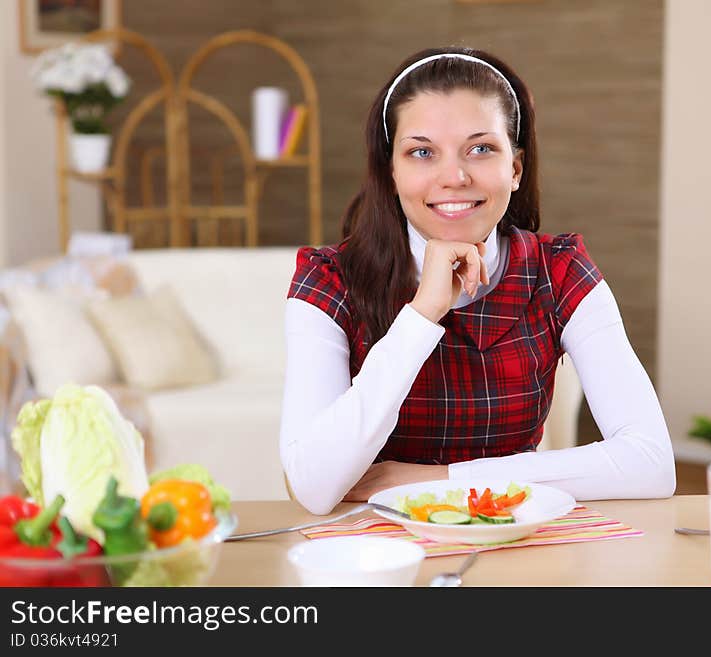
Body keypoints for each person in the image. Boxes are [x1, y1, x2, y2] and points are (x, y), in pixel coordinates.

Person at [280, 46, 675, 515]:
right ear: (391, 172)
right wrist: (423, 313)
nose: (454, 176)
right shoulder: (328, 281)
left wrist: (439, 482)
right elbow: (311, 484)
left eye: (481, 148)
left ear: (515, 168)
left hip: (515, 537)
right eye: (422, 152)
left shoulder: (560, 271)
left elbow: (651, 463)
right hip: (380, 554)